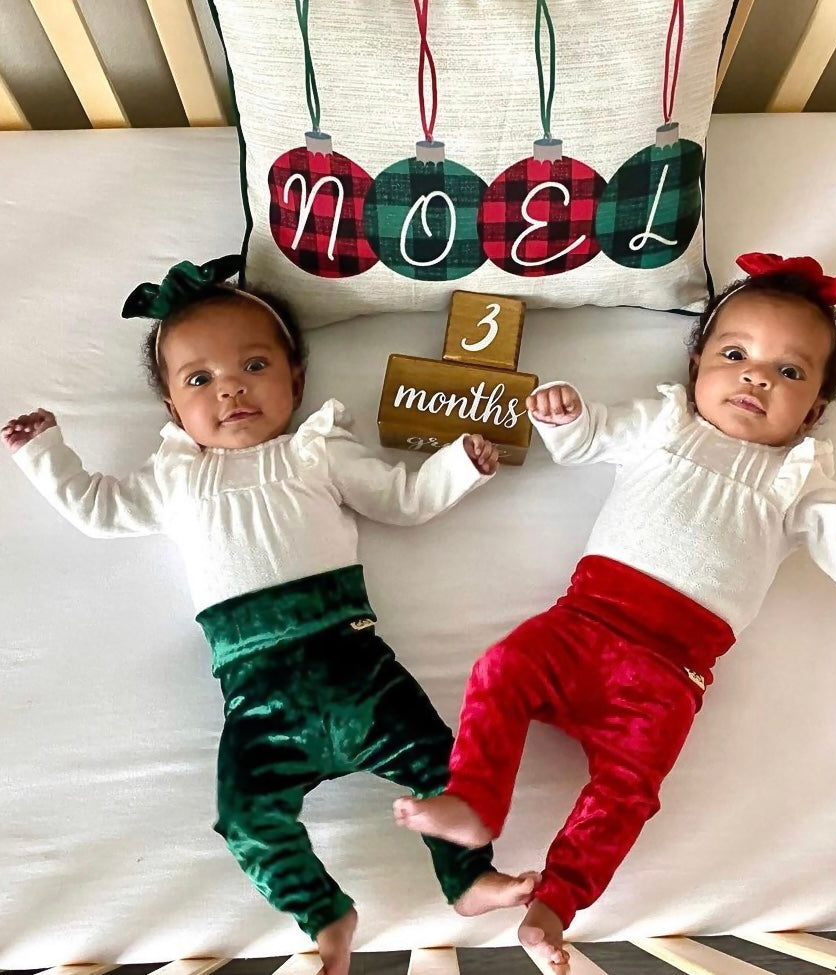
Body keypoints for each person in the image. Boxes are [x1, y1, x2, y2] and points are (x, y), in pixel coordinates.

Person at [394, 252, 836, 969]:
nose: (755, 376)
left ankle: (553, 902)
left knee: (626, 791)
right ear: (696, 369)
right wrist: (562, 411)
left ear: (811, 411)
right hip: (582, 623)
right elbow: (589, 437)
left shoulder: (799, 481)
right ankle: (474, 803)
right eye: (735, 353)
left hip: (667, 675)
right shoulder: (663, 422)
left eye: (788, 372)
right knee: (501, 669)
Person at [3, 256, 536, 975]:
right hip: (257, 695)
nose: (230, 387)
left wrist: (458, 466)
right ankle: (323, 911)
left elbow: (401, 499)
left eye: (253, 364)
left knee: (447, 765)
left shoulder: (317, 452)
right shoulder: (176, 476)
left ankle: (468, 878)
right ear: (171, 409)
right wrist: (43, 451)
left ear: (296, 379)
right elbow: (99, 509)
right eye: (199, 380)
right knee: (247, 819)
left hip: (354, 665)